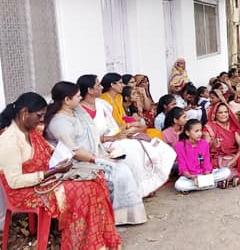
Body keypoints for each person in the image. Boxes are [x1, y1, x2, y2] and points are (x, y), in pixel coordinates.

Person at [0, 92, 121, 249]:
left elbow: (50, 152)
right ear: (24, 113)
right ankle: (83, 244)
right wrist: (52, 172)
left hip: (45, 181)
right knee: (84, 191)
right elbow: (15, 182)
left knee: (95, 181)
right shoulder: (9, 141)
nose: (41, 120)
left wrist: (62, 159)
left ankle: (96, 241)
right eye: (39, 116)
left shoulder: (30, 133)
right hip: (26, 192)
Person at [44, 81, 147, 225]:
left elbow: (92, 135)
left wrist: (104, 151)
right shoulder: (59, 123)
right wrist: (99, 159)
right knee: (120, 171)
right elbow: (74, 151)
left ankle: (122, 215)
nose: (81, 99)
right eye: (78, 96)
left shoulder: (76, 111)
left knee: (126, 164)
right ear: (67, 100)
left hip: (94, 156)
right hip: (76, 164)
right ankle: (118, 217)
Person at [174, 119, 232, 191]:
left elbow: (206, 163)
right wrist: (192, 177)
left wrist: (206, 177)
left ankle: (196, 187)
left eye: (200, 130)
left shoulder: (204, 144)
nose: (200, 134)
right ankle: (215, 184)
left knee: (226, 172)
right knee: (179, 185)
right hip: (190, 177)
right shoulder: (180, 146)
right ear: (187, 133)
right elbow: (182, 167)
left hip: (204, 174)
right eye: (196, 131)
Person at [203, 102, 240, 180]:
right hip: (216, 158)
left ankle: (225, 178)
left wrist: (235, 159)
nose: (223, 115)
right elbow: (204, 147)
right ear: (215, 114)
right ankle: (226, 178)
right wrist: (213, 143)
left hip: (233, 156)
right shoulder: (209, 127)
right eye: (220, 113)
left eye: (225, 112)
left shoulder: (232, 125)